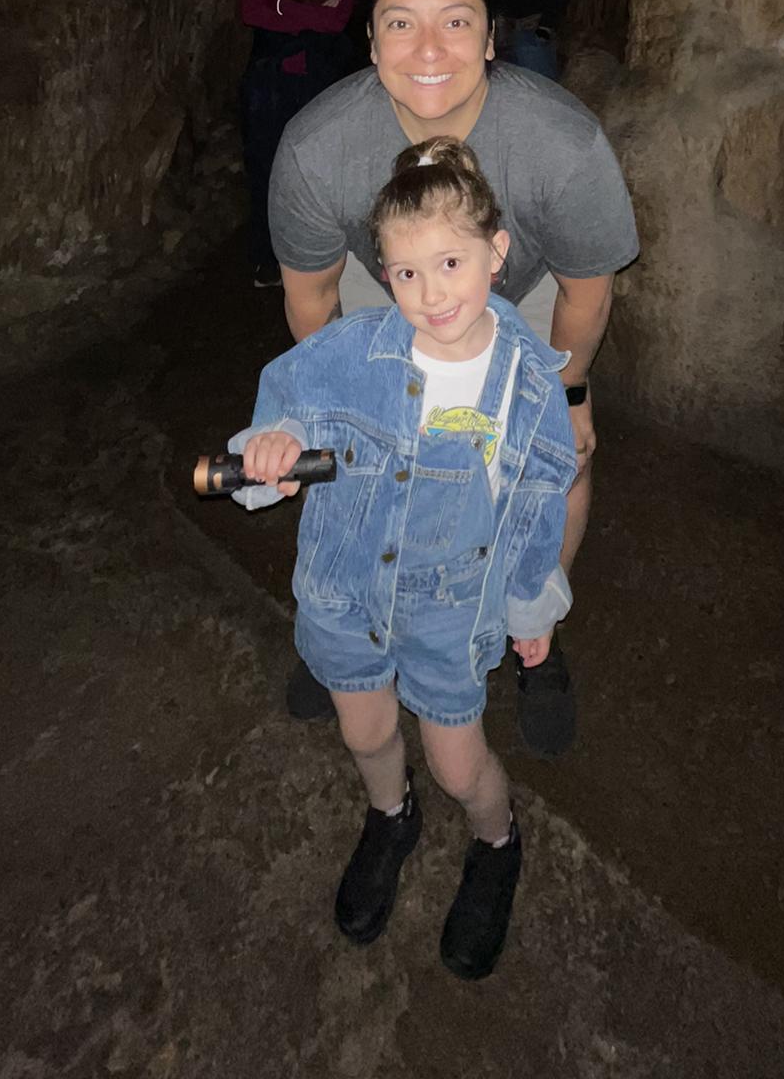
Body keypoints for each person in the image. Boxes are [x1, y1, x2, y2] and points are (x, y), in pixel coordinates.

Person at [268, 0, 639, 754]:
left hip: (525, 281)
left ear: (490, 39)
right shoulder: (317, 147)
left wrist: (568, 397)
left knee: (558, 458)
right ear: (370, 41)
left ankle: (532, 625)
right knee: (363, 448)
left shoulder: (560, 145)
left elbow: (587, 290)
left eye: (456, 22)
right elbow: (312, 295)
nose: (429, 49)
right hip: (388, 276)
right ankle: (348, 626)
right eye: (401, 24)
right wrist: (334, 409)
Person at [228, 137, 577, 979]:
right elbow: (288, 399)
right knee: (365, 727)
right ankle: (390, 815)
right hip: (346, 588)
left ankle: (496, 843)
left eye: (450, 261)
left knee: (461, 764)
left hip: (449, 609)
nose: (431, 292)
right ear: (382, 272)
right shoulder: (355, 352)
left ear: (496, 254)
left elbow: (537, 495)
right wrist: (270, 446)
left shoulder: (529, 382)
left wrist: (532, 608)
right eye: (406, 272)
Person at [238, 0, 355, 287]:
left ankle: (312, 257)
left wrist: (283, 5)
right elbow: (252, 10)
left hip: (316, 82)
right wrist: (309, 9)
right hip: (270, 80)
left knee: (312, 173)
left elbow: (337, 20)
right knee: (266, 168)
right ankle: (267, 259)